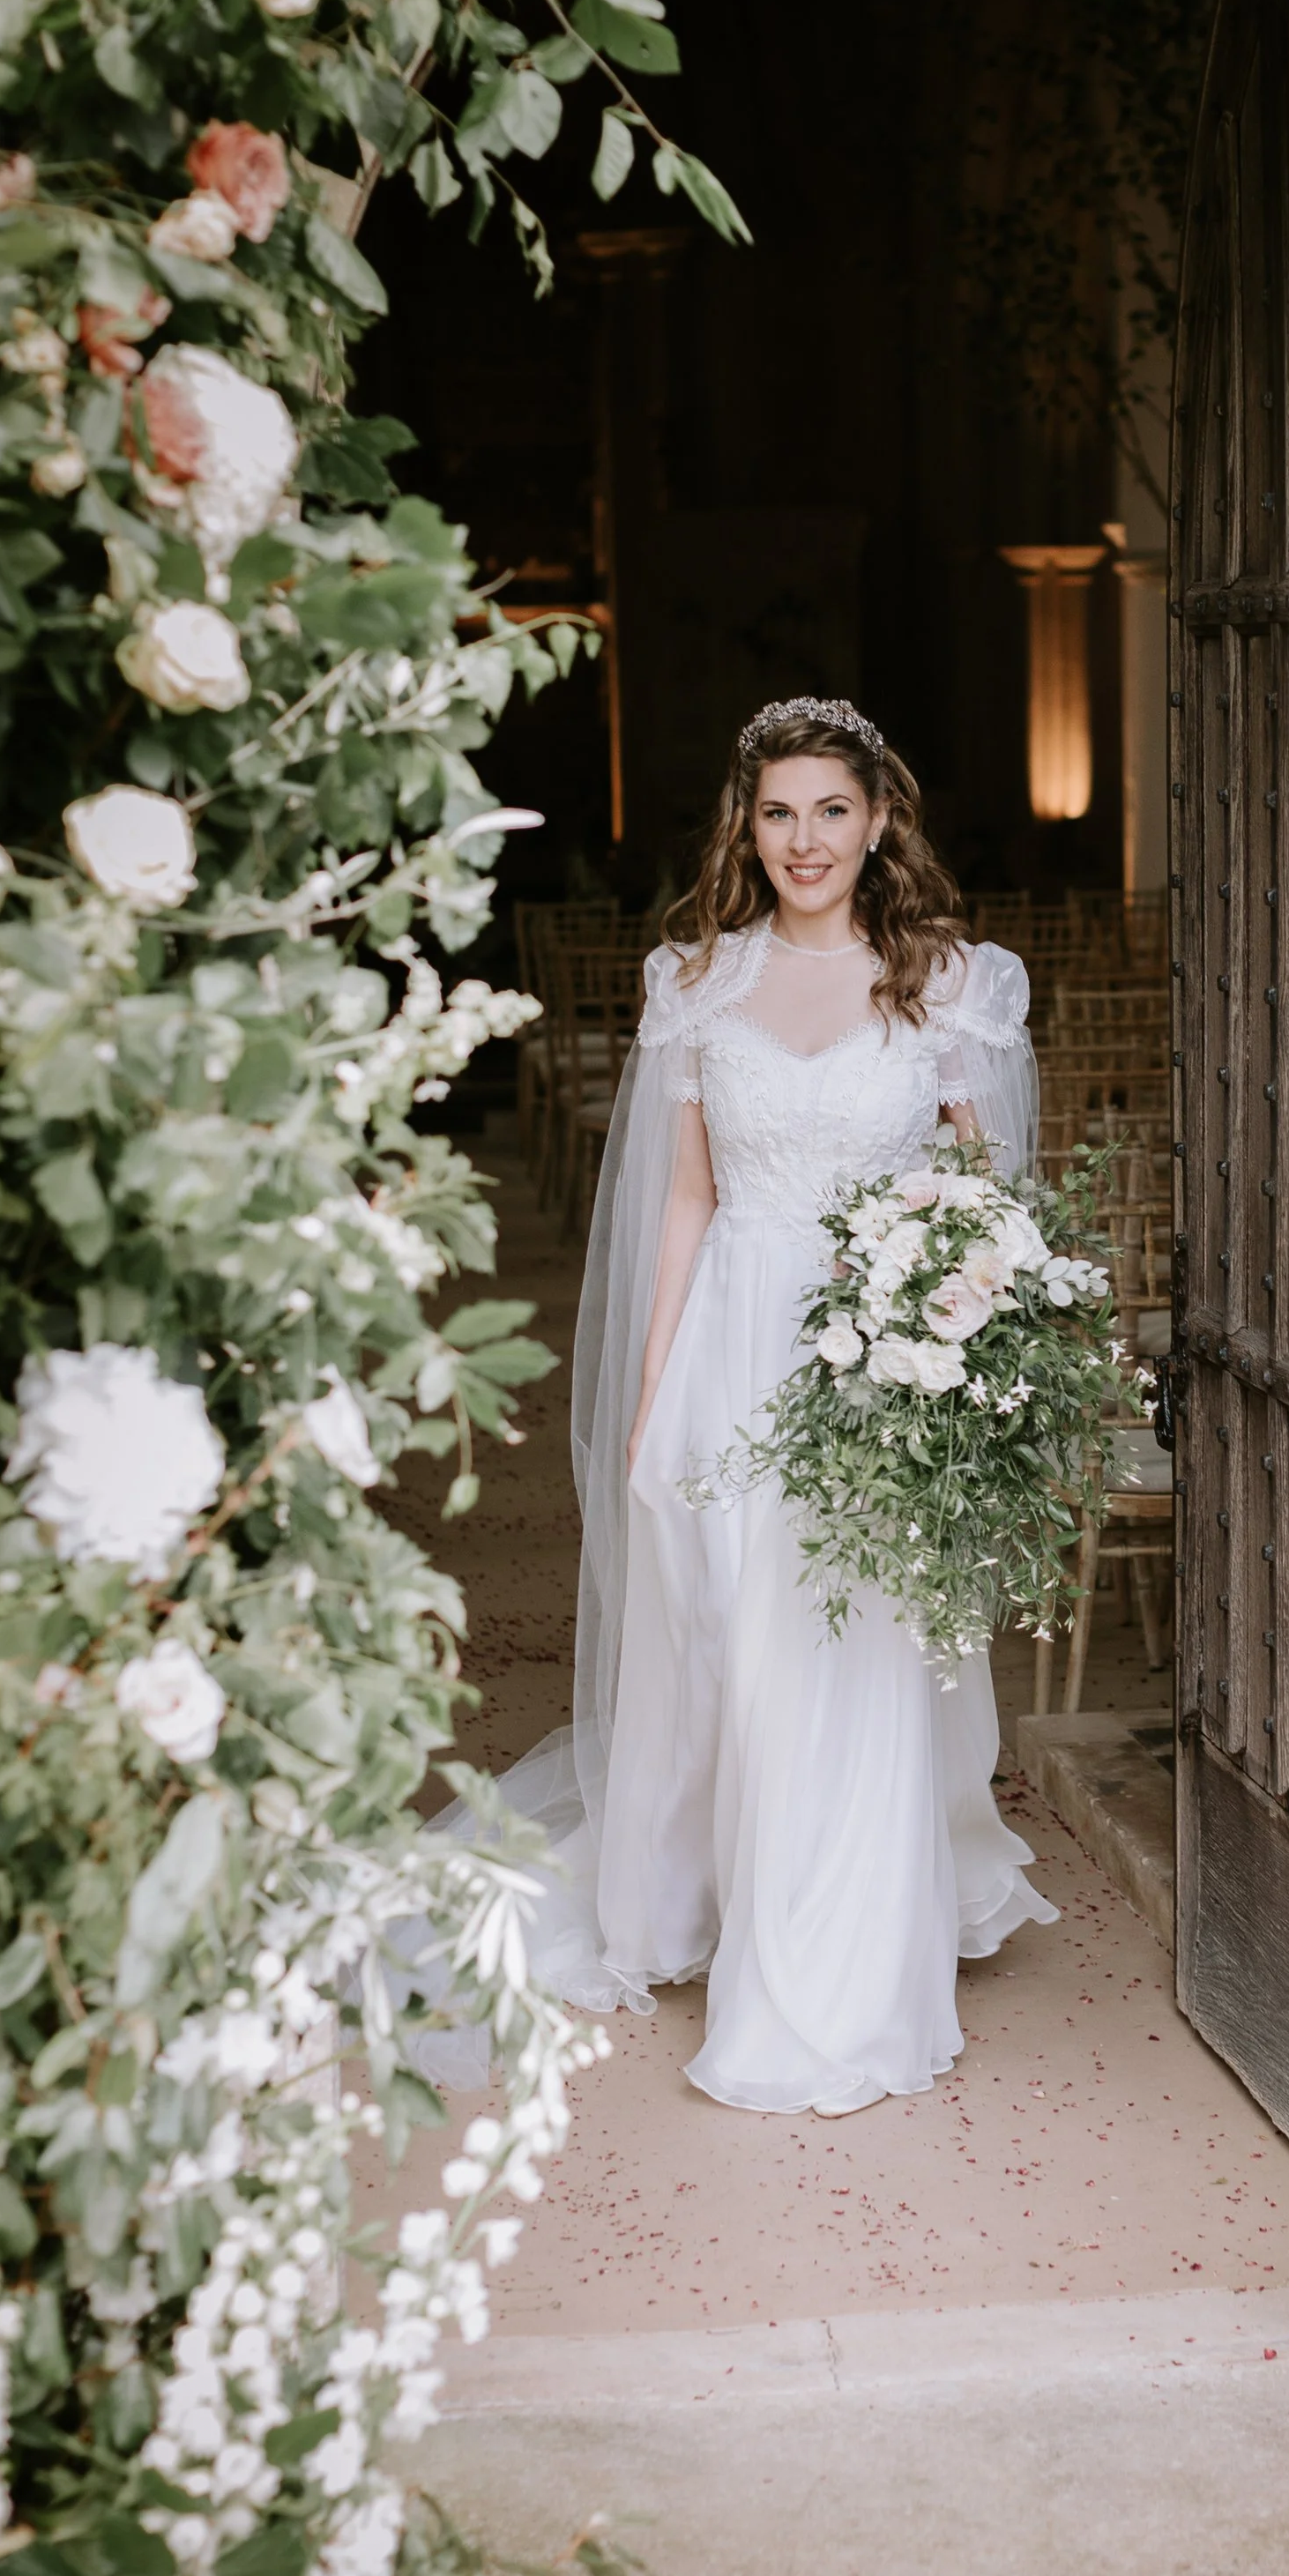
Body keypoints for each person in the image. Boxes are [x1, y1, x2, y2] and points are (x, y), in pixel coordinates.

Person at [454, 696, 1057, 2118]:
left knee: (844, 1652)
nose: (805, 840)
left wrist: (959, 1339)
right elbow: (682, 1201)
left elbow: (991, 1201)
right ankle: (719, 1893)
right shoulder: (697, 982)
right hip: (735, 1338)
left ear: (880, 818)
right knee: (735, 1636)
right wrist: (655, 1395)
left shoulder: (949, 985)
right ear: (748, 826)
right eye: (779, 813)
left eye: (832, 810)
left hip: (882, 1357)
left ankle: (834, 1973)